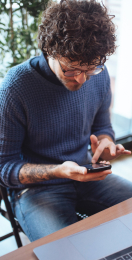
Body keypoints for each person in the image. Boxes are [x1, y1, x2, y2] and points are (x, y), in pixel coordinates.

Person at [0, 0, 132, 242]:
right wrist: (59, 171)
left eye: (90, 69)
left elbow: (102, 127)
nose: (81, 79)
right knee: (67, 250)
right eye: (70, 69)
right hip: (37, 190)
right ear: (49, 49)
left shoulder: (97, 75)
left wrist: (106, 143)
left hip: (87, 175)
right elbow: (5, 168)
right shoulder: (16, 88)